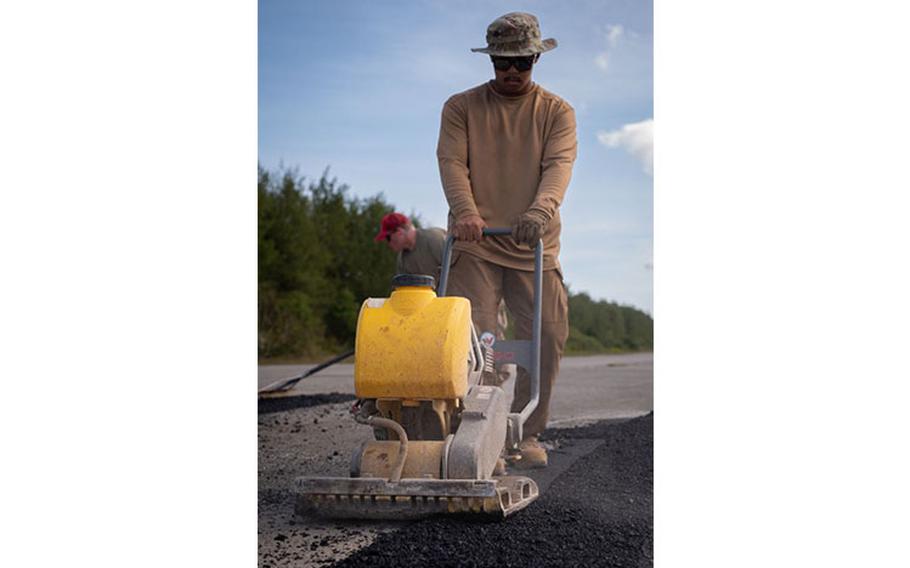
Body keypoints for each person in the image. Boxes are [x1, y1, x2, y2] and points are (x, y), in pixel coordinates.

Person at [436, 12, 577, 468]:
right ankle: (484, 441)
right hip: (476, 240)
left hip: (534, 244)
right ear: (491, 60)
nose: (512, 73)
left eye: (522, 64)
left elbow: (558, 165)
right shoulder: (461, 107)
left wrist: (541, 210)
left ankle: (527, 433)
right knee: (482, 345)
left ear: (536, 59)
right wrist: (466, 212)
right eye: (502, 63)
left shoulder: (556, 111)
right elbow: (452, 162)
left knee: (548, 338)